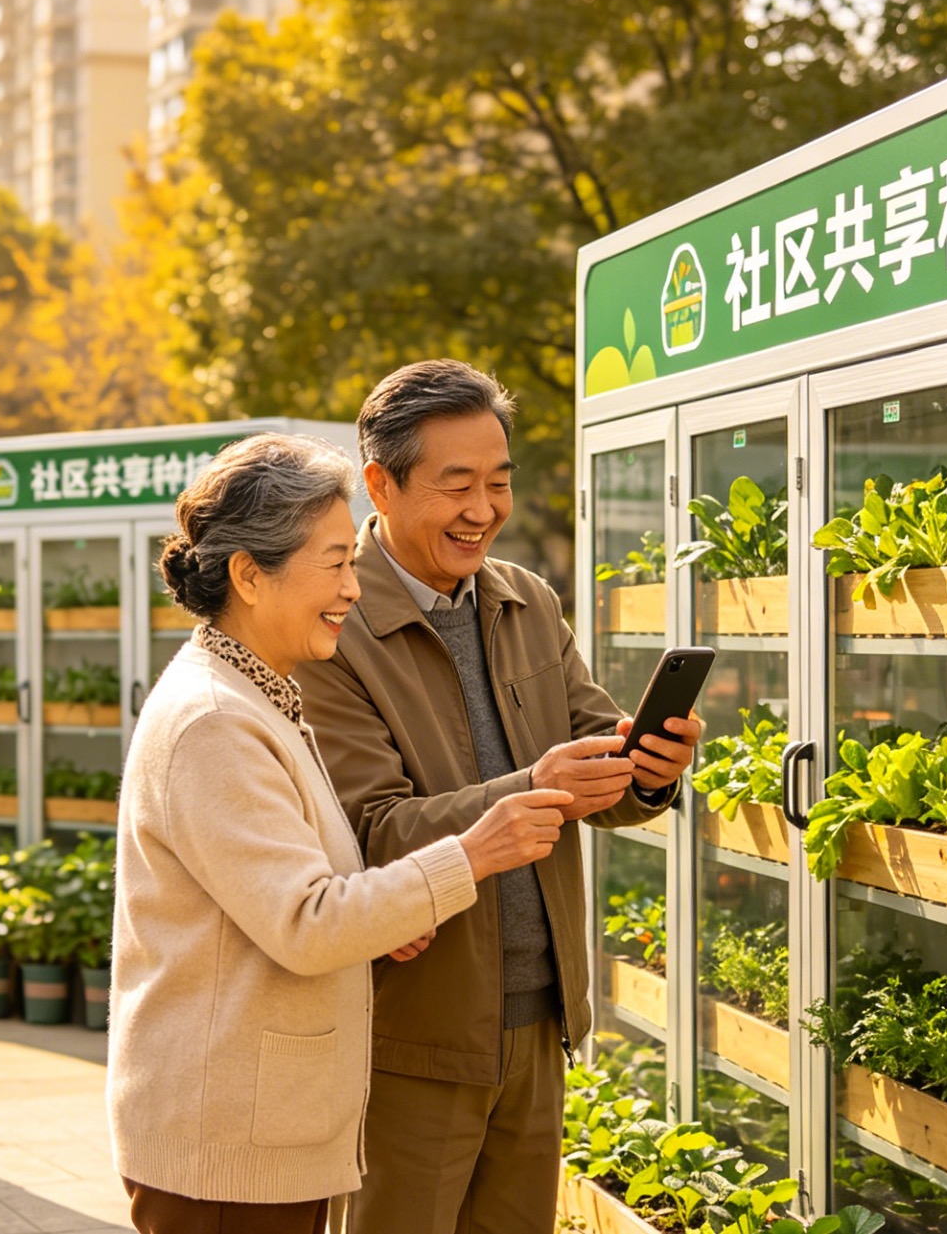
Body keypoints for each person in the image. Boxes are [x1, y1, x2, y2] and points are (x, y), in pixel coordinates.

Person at [108, 433, 576, 1234]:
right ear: (249, 575)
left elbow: (294, 890)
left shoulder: (255, 695)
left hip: (258, 1130)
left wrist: (383, 922)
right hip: (227, 1145)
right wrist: (476, 850)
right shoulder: (216, 720)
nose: (353, 590)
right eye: (334, 563)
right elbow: (305, 921)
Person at [297, 361, 703, 1234]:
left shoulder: (526, 600)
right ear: (381, 483)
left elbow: (599, 770)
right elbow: (371, 831)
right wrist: (531, 787)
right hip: (412, 1032)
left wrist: (651, 768)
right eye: (456, 486)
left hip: (540, 1015)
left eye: (498, 483)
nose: (482, 509)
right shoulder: (335, 623)